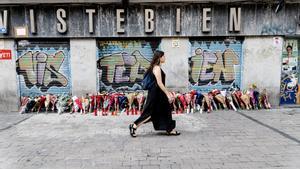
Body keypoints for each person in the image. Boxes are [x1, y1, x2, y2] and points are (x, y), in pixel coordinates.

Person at [129, 50, 180, 137]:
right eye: (163, 56)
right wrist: (168, 93)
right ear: (159, 58)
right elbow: (159, 83)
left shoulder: (156, 67)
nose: (165, 58)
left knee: (165, 110)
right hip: (156, 94)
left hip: (158, 93)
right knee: (150, 113)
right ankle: (134, 125)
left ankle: (169, 129)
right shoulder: (156, 68)